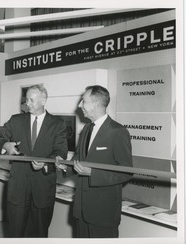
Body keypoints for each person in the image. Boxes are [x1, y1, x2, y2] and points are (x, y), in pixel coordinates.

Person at [0, 84, 68, 238]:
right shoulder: (16, 120)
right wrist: (5, 145)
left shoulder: (57, 124)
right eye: (26, 100)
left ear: (44, 100)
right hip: (18, 188)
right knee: (15, 233)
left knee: (39, 233)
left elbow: (61, 151)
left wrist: (46, 163)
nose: (27, 104)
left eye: (31, 100)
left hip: (43, 188)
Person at [57, 85, 133, 238]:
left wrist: (93, 173)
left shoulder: (118, 132)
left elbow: (126, 172)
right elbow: (79, 158)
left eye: (83, 101)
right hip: (81, 209)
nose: (79, 105)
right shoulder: (86, 129)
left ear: (96, 104)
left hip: (103, 212)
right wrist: (65, 166)